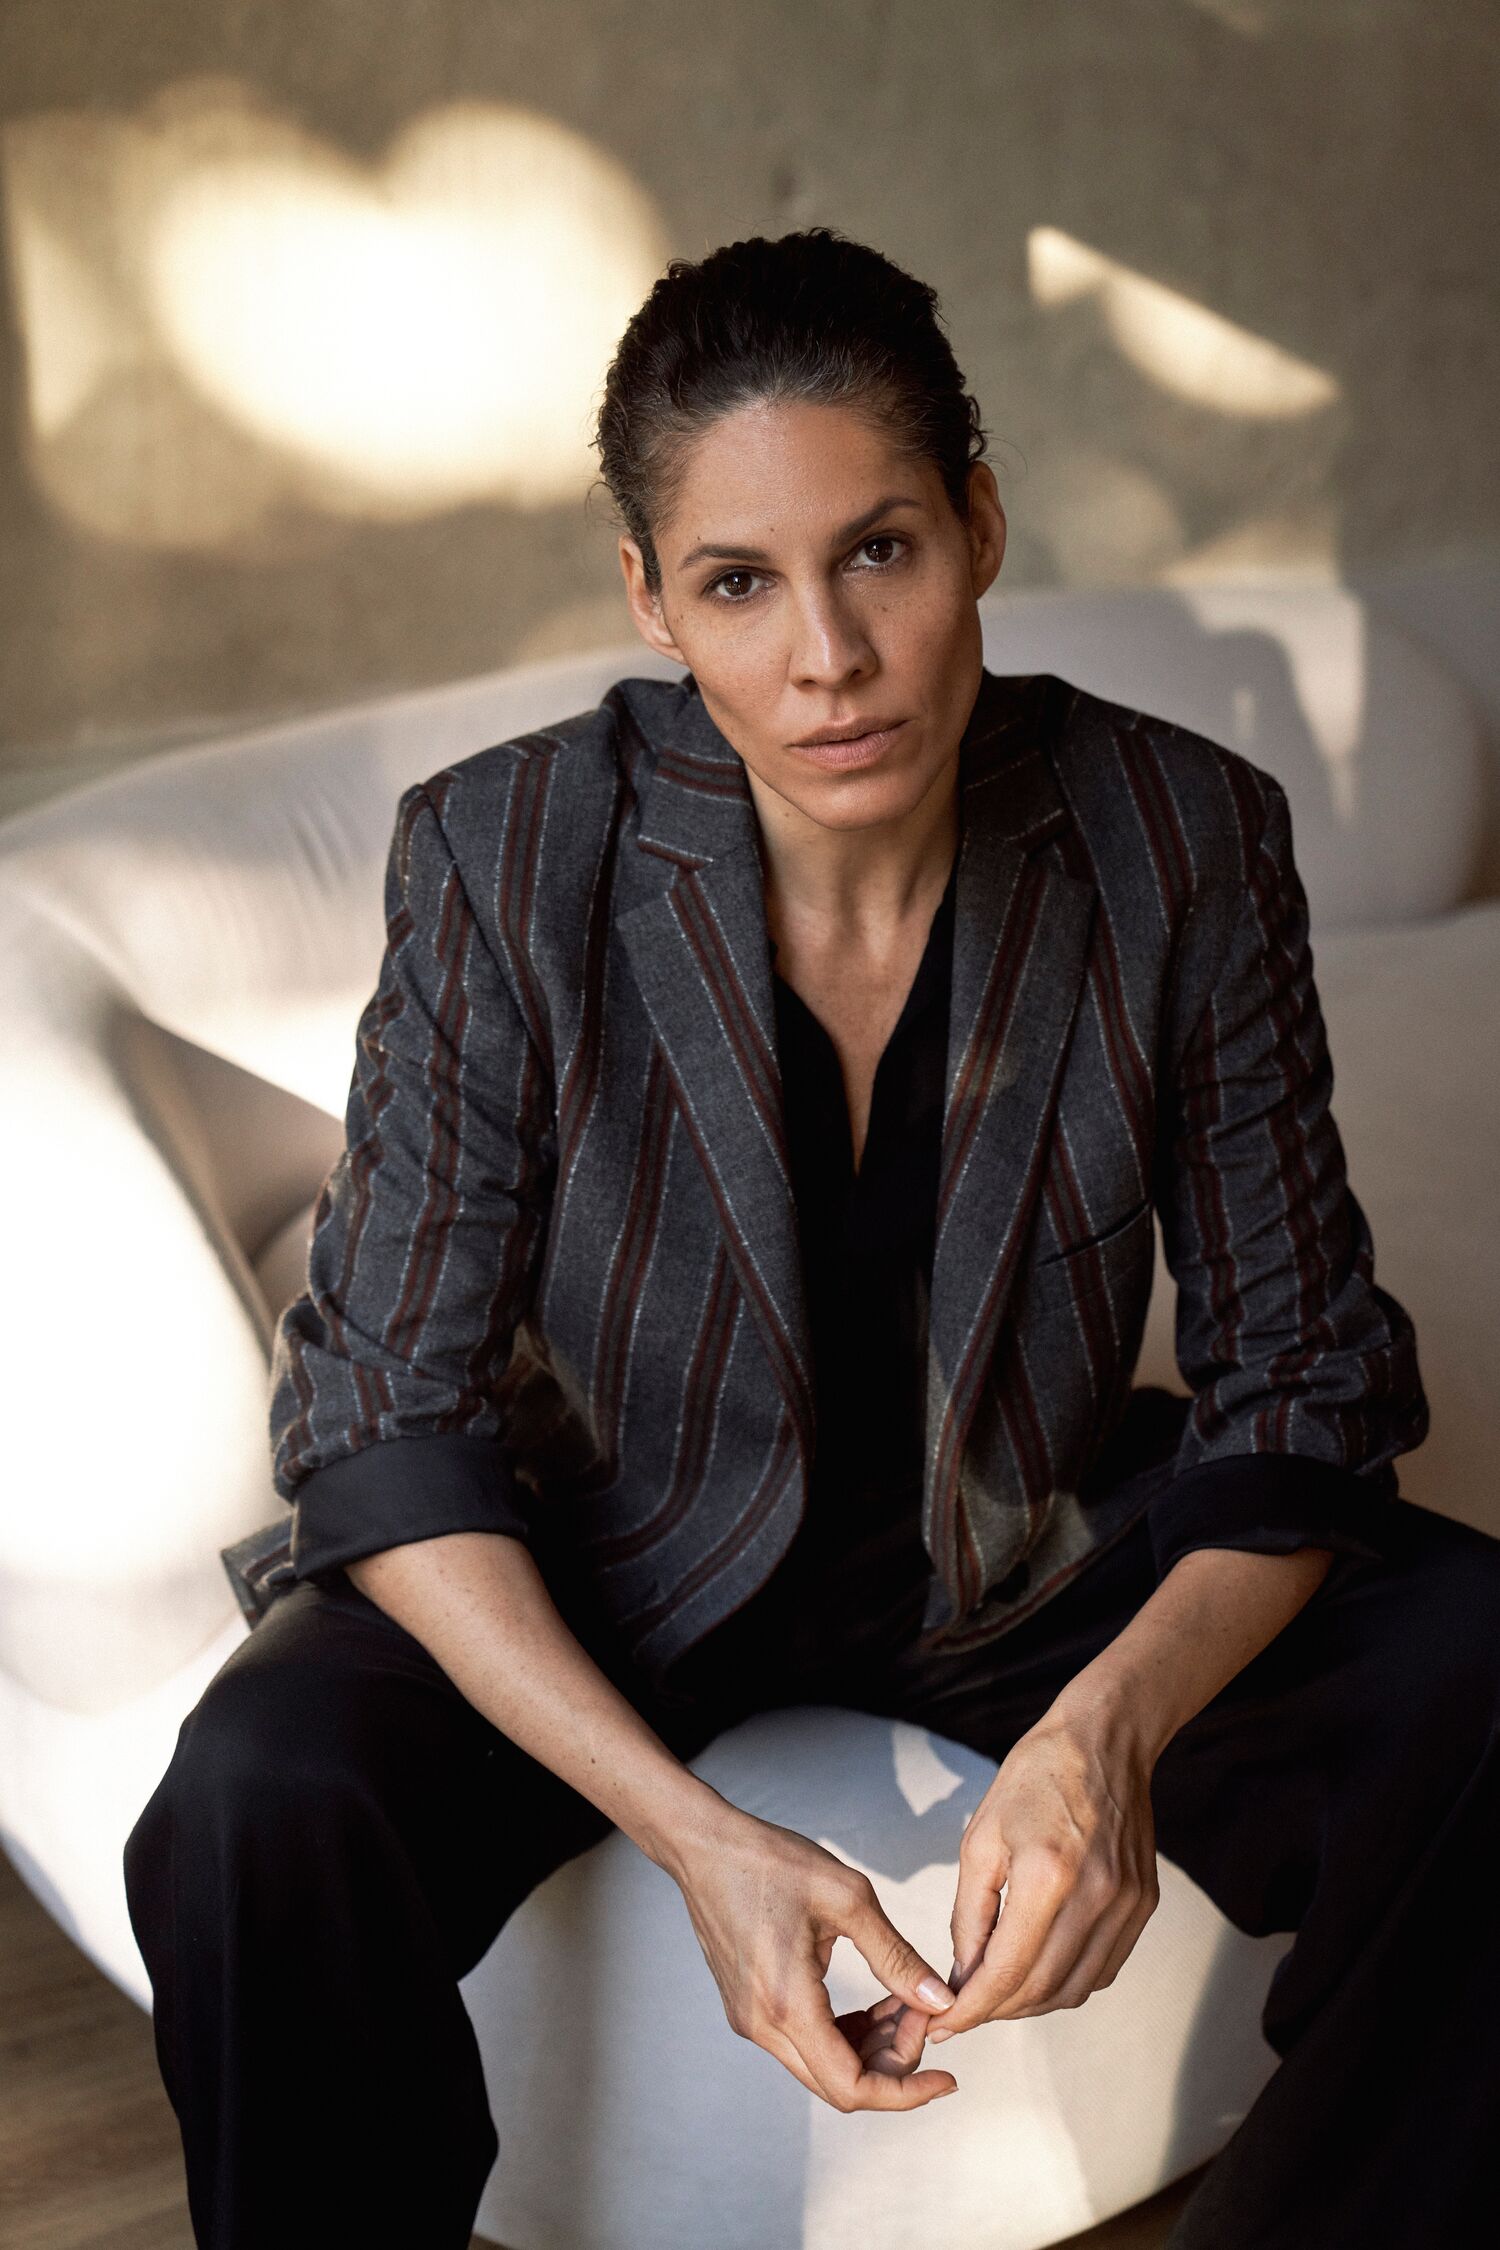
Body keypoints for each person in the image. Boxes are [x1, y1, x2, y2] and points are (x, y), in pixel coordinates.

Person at [123, 228, 1499, 2250]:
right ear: (649, 597)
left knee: (1484, 1676)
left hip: (1021, 1534)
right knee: (257, 1793)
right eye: (739, 584)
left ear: (979, 526)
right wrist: (697, 1840)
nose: (828, 657)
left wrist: (1105, 1729)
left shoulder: (1180, 836)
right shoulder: (509, 852)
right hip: (607, 1543)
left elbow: (1304, 1378)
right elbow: (382, 1426)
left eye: (881, 552)